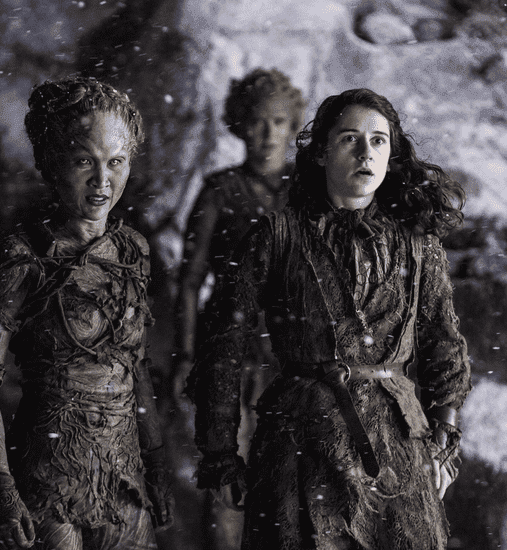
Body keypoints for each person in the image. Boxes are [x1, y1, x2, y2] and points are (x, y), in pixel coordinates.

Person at [189, 88, 471, 550]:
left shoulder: (418, 245)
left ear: (391, 155)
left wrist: (443, 441)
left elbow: (445, 342)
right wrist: (221, 455)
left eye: (378, 141)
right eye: (349, 139)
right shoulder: (277, 235)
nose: (365, 153)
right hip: (298, 445)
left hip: (399, 446)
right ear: (321, 152)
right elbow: (223, 345)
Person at [0, 77, 174, 550]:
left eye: (116, 162)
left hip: (124, 477)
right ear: (50, 163)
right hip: (46, 475)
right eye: (83, 161)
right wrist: (0, 488)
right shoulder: (22, 258)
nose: (102, 181)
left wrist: (156, 463)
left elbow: (135, 366)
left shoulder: (133, 251)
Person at [172, 68, 305, 550]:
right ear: (238, 126)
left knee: (294, 476)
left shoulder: (307, 191)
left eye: (278, 122)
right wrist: (186, 356)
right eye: (256, 122)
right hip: (228, 353)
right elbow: (189, 282)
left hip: (293, 356)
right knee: (228, 473)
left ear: (293, 127)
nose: (267, 134)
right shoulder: (219, 190)